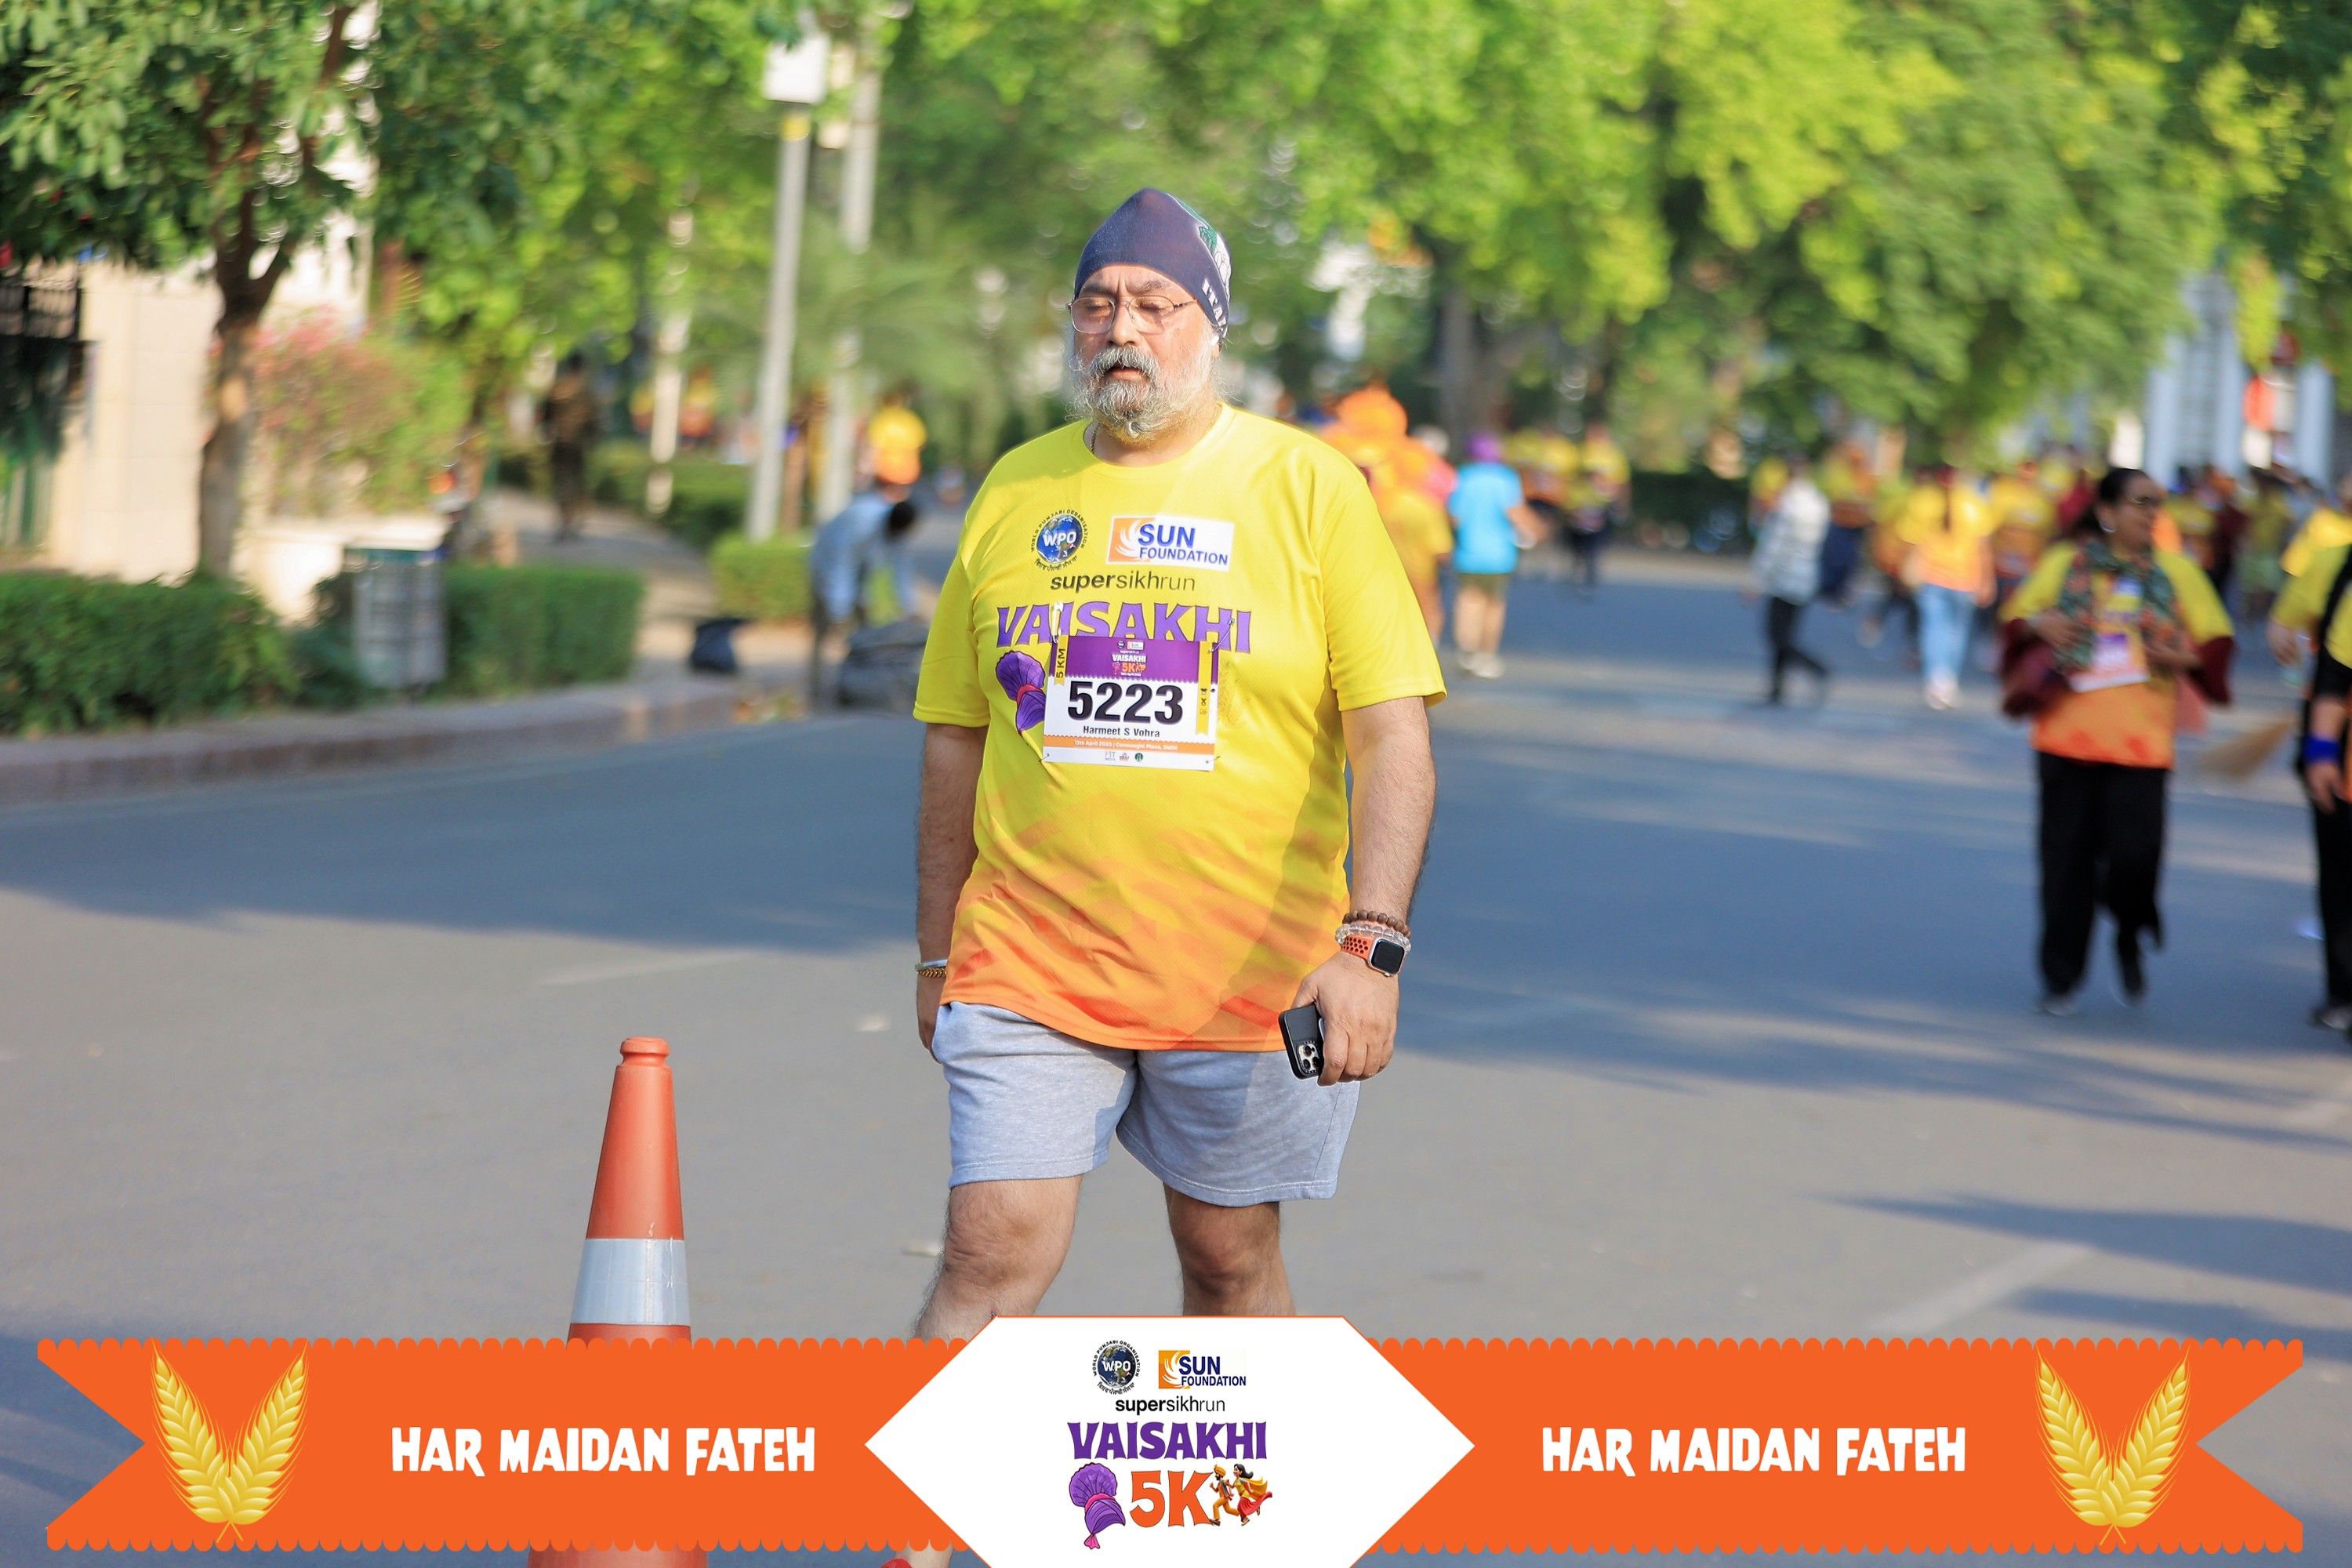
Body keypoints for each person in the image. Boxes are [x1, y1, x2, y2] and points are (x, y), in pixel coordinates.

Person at [903, 188, 1444, 1456]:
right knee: (990, 1249)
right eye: (1099, 304)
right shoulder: (1017, 489)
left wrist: (1371, 948)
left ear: (1212, 326)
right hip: (1031, 957)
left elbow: (1392, 738)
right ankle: (915, 1531)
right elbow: (954, 738)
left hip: (1251, 973)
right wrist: (936, 954)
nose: (1123, 329)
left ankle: (1247, 1513)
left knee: (1226, 1254)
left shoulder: (1308, 488)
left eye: (1156, 304)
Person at [2000, 467, 2234, 1013]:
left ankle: (2130, 927)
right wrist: (2040, 626)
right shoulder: (2065, 564)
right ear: (2107, 513)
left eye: (2157, 503)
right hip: (2065, 737)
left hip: (2141, 745)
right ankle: (2061, 977)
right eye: (2139, 502)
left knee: (2136, 859)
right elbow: (2016, 619)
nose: (2152, 513)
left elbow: (2216, 644)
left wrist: (2180, 658)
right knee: (2065, 864)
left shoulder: (2177, 573)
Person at [1895, 466, 1995, 709]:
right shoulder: (1971, 503)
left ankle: (1939, 678)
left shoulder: (1926, 500)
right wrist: (1986, 580)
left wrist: (1986, 580)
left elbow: (1909, 540)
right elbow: (1983, 547)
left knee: (1940, 630)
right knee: (1949, 631)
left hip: (1947, 577)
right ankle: (1944, 679)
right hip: (1950, 578)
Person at [1447, 431, 1541, 677]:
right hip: (1499, 555)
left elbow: (1455, 517)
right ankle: (1486, 655)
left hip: (1468, 552)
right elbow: (1515, 513)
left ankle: (1467, 652)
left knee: (1468, 601)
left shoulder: (1464, 477)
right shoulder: (1506, 478)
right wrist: (1537, 529)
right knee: (1494, 605)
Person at [1745, 452, 1831, 704]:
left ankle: (1815, 668)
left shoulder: (1786, 503)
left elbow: (1773, 545)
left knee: (1776, 636)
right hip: (1806, 576)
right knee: (1786, 634)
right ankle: (1777, 689)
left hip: (1784, 577)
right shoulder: (1818, 502)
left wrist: (1757, 579)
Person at [539, 354, 600, 542]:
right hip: (578, 446)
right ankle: (573, 521)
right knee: (576, 484)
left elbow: (544, 416)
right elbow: (594, 421)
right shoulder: (586, 392)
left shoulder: (557, 389)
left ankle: (564, 522)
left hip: (560, 444)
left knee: (561, 483)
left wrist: (548, 433)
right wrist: (593, 439)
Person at [1567, 420, 1628, 594]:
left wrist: (1622, 503)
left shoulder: (1614, 455)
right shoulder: (1580, 452)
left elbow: (1622, 481)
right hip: (1580, 502)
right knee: (1578, 540)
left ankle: (1591, 569)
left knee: (1597, 540)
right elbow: (1569, 476)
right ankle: (1577, 569)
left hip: (1602, 504)